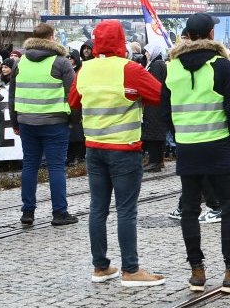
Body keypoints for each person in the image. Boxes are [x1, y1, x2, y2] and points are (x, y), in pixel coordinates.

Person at [161, 13, 230, 293]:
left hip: (188, 148)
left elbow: (164, 111)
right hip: (219, 145)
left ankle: (197, 272)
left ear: (187, 36)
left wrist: (179, 136)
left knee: (189, 210)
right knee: (229, 208)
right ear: (211, 35)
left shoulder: (172, 67)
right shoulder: (221, 65)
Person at [69, 19, 166, 287]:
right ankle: (131, 270)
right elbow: (159, 95)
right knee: (126, 210)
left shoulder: (86, 70)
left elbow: (73, 101)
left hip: (94, 148)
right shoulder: (129, 69)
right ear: (121, 41)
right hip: (124, 149)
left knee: (97, 208)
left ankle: (101, 267)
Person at [10, 23, 78, 227]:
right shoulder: (61, 62)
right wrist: (74, 121)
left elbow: (12, 95)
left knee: (30, 165)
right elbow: (73, 95)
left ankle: (27, 212)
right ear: (51, 37)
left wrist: (15, 122)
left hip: (26, 121)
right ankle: (59, 213)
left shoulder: (20, 62)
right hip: (55, 122)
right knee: (56, 167)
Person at [141, 43, 169, 174]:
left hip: (154, 105)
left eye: (147, 51)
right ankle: (158, 160)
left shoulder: (156, 65)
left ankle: (154, 161)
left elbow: (153, 84)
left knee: (153, 133)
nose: (145, 54)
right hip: (158, 104)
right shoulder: (159, 64)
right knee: (157, 133)